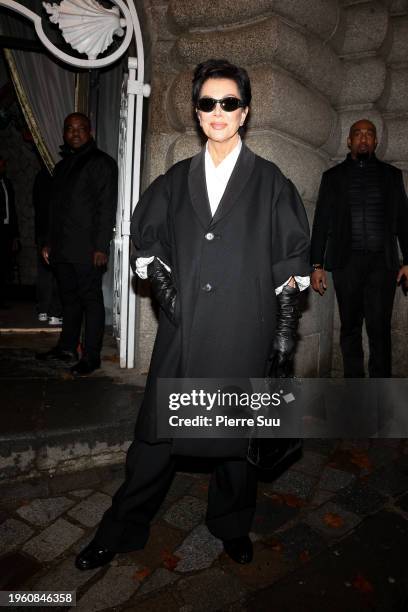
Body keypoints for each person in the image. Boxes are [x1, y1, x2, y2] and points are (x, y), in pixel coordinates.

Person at [75, 59, 311, 570]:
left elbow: (291, 262)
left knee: (235, 447)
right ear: (197, 112)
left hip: (247, 333)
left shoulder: (272, 183)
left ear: (244, 112)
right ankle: (120, 529)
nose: (218, 111)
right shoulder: (176, 179)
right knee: (155, 440)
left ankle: (231, 526)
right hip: (183, 336)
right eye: (208, 103)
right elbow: (148, 239)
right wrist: (170, 297)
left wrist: (285, 335)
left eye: (229, 102)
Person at [310, 119, 408, 377]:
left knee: (379, 329)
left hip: (382, 266)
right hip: (347, 264)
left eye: (369, 134)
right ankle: (354, 388)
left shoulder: (392, 176)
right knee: (350, 328)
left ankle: (380, 391)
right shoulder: (332, 178)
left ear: (375, 141)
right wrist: (316, 265)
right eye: (358, 134)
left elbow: (403, 220)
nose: (363, 138)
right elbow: (321, 222)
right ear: (349, 141)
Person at [36, 113, 118, 375]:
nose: (75, 133)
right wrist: (49, 242)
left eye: (80, 128)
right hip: (62, 248)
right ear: (64, 133)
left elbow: (106, 209)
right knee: (68, 300)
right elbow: (55, 209)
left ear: (90, 131)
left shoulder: (102, 163)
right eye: (69, 129)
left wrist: (101, 247)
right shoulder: (61, 167)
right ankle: (66, 347)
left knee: (90, 301)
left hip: (87, 249)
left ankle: (91, 357)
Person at [32, 166, 62, 325]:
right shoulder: (61, 173)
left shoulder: (40, 175)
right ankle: (54, 313)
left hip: (43, 230)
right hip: (55, 231)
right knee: (58, 271)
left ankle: (43, 310)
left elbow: (36, 204)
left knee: (44, 271)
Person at [0, 155, 20, 308]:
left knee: (5, 264)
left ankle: (3, 298)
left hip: (7, 230)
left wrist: (15, 235)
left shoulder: (7, 183)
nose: (2, 168)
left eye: (3, 166)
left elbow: (12, 209)